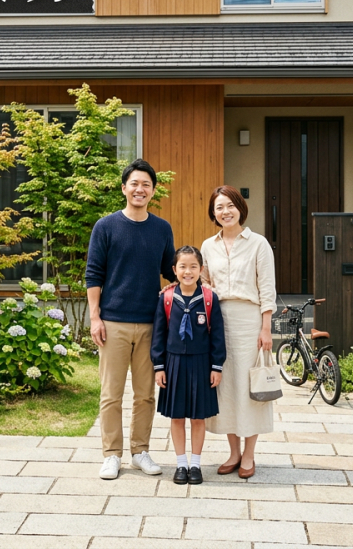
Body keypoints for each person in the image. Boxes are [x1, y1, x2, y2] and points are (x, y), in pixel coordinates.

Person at [85, 158, 177, 480]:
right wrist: (95, 318)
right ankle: (112, 455)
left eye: (146, 185)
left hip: (151, 323)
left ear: (152, 191)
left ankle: (140, 452)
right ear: (124, 188)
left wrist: (198, 278)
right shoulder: (106, 226)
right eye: (134, 184)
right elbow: (93, 274)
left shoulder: (162, 228)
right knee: (111, 393)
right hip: (113, 323)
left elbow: (170, 271)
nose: (140, 189)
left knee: (145, 394)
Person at [201, 185, 277, 480]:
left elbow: (267, 287)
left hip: (250, 321)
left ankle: (249, 454)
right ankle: (233, 452)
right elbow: (205, 284)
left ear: (240, 208)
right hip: (219, 322)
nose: (225, 212)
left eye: (230, 205)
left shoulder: (258, 244)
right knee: (225, 388)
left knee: (250, 388)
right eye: (219, 207)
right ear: (213, 213)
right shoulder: (208, 246)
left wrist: (266, 327)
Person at [151, 246, 226, 485]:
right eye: (182, 266)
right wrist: (159, 366)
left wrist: (217, 366)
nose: (188, 271)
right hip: (173, 364)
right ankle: (180, 463)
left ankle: (196, 463)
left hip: (201, 364)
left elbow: (218, 336)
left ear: (201, 269)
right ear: (174, 270)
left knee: (198, 418)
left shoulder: (209, 298)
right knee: (176, 417)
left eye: (193, 266)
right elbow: (158, 335)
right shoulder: (167, 298)